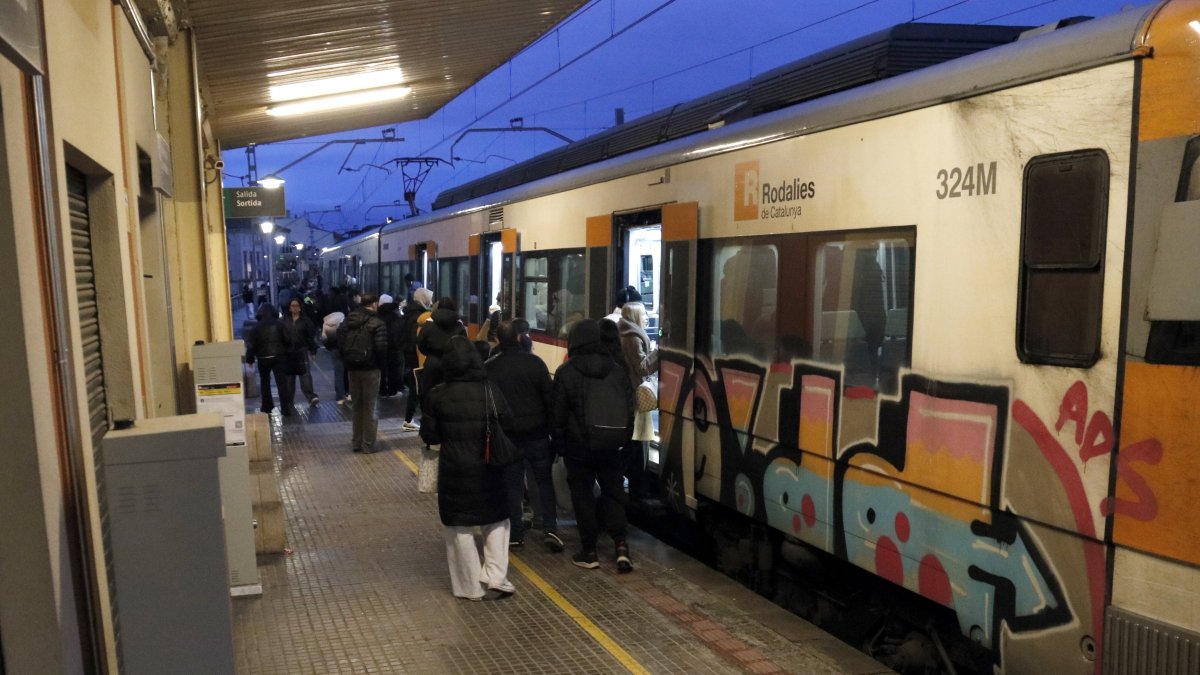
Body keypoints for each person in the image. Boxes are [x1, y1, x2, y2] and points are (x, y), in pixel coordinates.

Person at [420, 336, 517, 601]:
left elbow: (430, 436)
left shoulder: (437, 394)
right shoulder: (490, 389)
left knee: (458, 526)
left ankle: (470, 587)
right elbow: (508, 424)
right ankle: (496, 577)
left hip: (455, 469)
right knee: (497, 520)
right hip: (490, 466)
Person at [552, 319, 636, 573]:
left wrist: (560, 445)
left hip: (578, 448)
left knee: (583, 497)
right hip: (611, 445)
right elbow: (629, 410)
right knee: (613, 493)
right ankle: (621, 546)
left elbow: (556, 415)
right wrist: (623, 439)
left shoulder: (566, 372)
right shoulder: (617, 370)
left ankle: (589, 551)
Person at [485, 319, 563, 553]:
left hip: (507, 437)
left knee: (513, 485)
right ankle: (550, 528)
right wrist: (554, 433)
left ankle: (516, 534)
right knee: (543, 481)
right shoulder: (535, 364)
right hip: (537, 434)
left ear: (498, 340)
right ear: (520, 337)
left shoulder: (490, 367)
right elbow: (550, 400)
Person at [336, 294, 388, 453]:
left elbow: (340, 342)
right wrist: (381, 367)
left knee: (357, 406)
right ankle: (368, 444)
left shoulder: (348, 320)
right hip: (371, 369)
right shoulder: (377, 323)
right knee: (370, 407)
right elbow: (381, 348)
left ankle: (356, 443)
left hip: (352, 369)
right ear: (373, 304)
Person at [619, 300, 659, 499]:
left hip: (629, 393)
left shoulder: (623, 333)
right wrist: (658, 353)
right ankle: (638, 490)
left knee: (633, 443)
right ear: (635, 316)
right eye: (643, 314)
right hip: (637, 395)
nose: (647, 317)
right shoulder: (633, 337)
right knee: (639, 443)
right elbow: (642, 367)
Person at [416, 296, 467, 416]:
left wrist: (429, 353)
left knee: (429, 393)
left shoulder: (428, 323)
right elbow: (463, 344)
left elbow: (420, 343)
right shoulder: (458, 324)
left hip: (432, 362)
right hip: (452, 363)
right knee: (450, 393)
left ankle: (430, 420)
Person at [245, 304, 296, 416]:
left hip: (263, 358)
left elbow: (251, 345)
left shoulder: (256, 327)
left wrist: (250, 359)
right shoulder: (280, 325)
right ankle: (286, 408)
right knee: (282, 383)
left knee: (265, 383)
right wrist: (287, 351)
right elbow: (288, 340)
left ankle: (267, 406)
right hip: (279, 357)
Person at [400, 287, 434, 430]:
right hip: (418, 356)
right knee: (417, 388)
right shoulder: (421, 317)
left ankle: (412, 418)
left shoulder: (407, 314)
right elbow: (419, 339)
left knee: (415, 387)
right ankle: (409, 419)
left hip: (408, 355)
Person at [283, 297, 320, 407]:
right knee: (289, 378)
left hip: (301, 352)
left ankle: (311, 396)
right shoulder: (284, 320)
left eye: (296, 306)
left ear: (300, 308)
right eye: (292, 306)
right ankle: (289, 400)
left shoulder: (305, 321)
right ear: (289, 308)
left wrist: (313, 351)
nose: (294, 308)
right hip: (288, 353)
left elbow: (310, 337)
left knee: (305, 375)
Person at [377, 294, 405, 397]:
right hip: (393, 346)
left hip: (380, 345)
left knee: (382, 369)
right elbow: (398, 331)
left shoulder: (377, 314)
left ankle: (382, 390)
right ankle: (393, 390)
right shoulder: (395, 315)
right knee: (393, 368)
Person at [321, 310, 348, 404]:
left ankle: (339, 396)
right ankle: (348, 393)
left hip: (334, 350)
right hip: (345, 349)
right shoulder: (343, 320)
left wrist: (331, 348)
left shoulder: (326, 323)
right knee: (348, 372)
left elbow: (324, 339)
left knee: (338, 373)